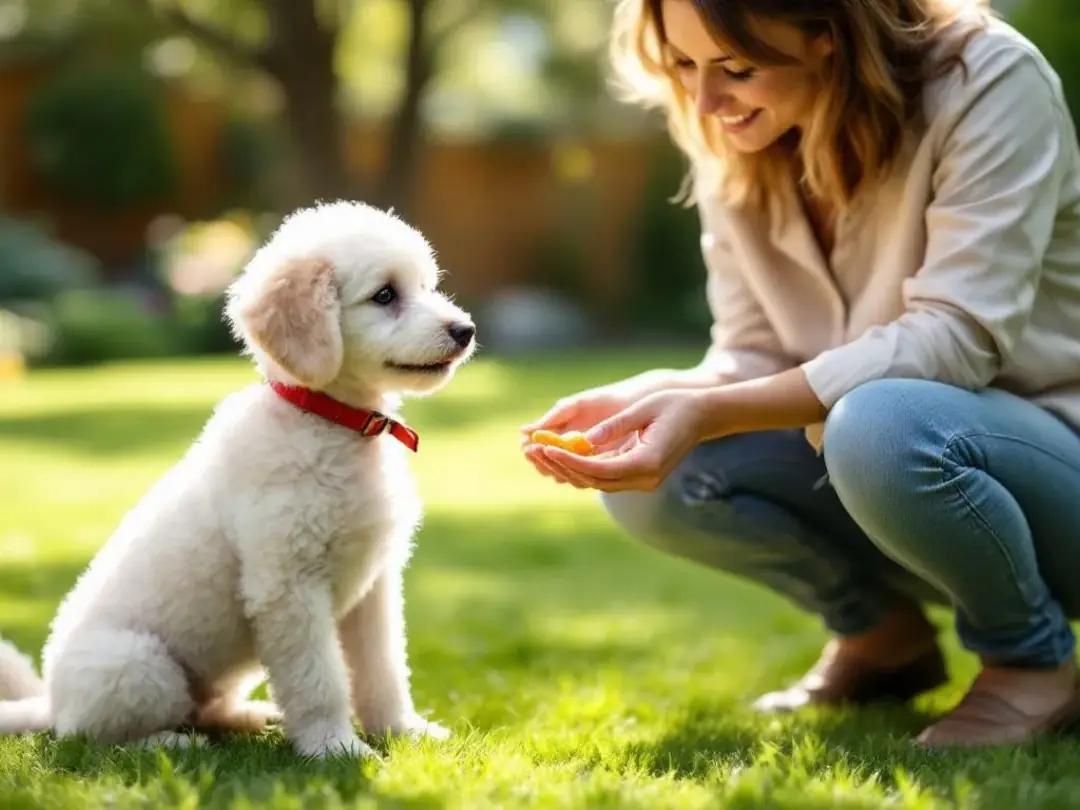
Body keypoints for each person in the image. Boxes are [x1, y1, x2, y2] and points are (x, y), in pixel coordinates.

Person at [521, 0, 1080, 749]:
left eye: (736, 69)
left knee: (879, 425)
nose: (702, 100)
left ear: (830, 33)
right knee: (657, 471)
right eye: (683, 64)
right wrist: (658, 397)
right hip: (901, 483)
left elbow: (958, 337)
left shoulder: (987, 77)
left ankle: (1029, 663)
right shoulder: (731, 127)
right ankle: (884, 645)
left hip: (1045, 464)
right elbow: (753, 354)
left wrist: (709, 411)